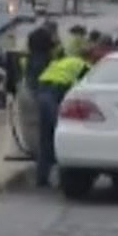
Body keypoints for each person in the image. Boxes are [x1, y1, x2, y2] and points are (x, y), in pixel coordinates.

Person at [34, 51, 90, 187]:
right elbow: (87, 87)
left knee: (45, 137)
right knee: (59, 135)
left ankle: (41, 178)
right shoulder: (85, 65)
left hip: (41, 90)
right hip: (55, 92)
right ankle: (63, 178)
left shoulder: (61, 62)